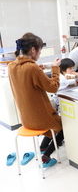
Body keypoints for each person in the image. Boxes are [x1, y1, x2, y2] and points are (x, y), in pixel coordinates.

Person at [8, 32, 64, 167]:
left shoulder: (11, 66)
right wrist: (55, 68)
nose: (40, 54)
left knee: (53, 119)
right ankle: (46, 155)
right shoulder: (32, 68)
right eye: (40, 51)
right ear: (33, 50)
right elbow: (53, 87)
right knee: (65, 125)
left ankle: (43, 147)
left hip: (26, 119)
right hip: (40, 119)